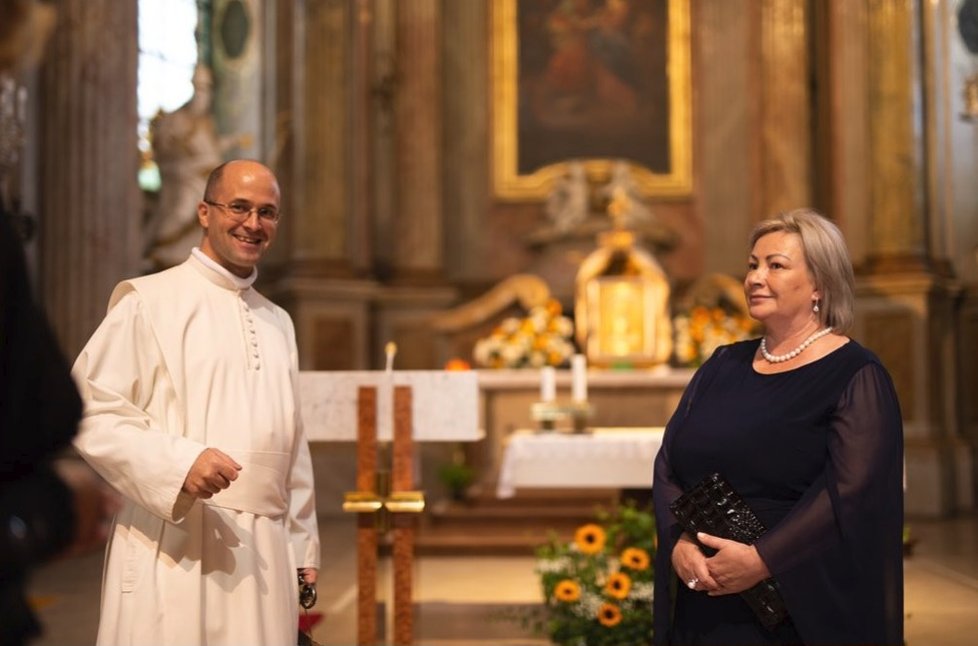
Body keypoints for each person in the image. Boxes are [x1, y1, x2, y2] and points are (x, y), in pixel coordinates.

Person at [72, 159, 321, 645]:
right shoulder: (148, 300)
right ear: (204, 212)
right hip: (176, 542)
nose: (253, 223)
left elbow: (293, 446)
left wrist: (303, 543)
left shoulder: (278, 321)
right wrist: (179, 464)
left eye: (267, 212)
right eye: (240, 207)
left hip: (266, 554)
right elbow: (89, 408)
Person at [652, 208, 904, 645]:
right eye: (752, 264)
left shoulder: (855, 373)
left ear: (819, 286)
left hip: (799, 600)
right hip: (706, 591)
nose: (754, 277)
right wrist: (679, 544)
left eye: (776, 265)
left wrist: (762, 560)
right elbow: (669, 463)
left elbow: (852, 493)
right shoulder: (722, 364)